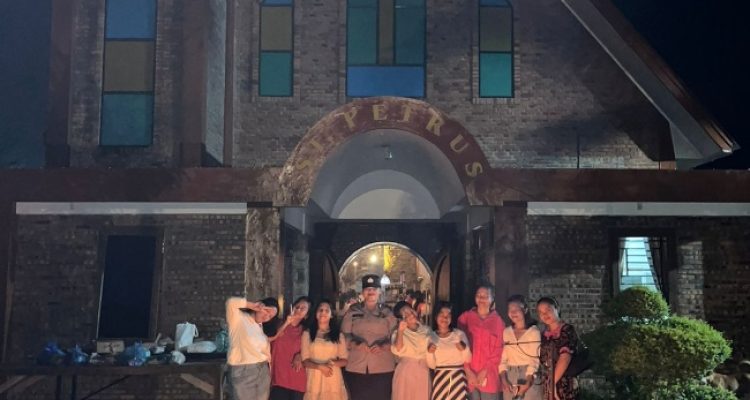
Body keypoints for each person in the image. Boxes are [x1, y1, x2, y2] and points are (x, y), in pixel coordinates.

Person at [341, 274, 398, 400]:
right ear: (362, 292)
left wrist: (384, 346)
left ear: (379, 292)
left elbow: (396, 336)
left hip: (382, 365)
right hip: (357, 365)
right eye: (367, 289)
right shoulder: (353, 311)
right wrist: (355, 344)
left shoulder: (387, 312)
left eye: (374, 289)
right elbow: (344, 335)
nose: (371, 291)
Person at [225, 296, 279, 400]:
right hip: (243, 371)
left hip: (262, 371)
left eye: (270, 316)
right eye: (267, 311)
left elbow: (266, 348)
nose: (266, 316)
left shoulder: (260, 327)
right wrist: (252, 305)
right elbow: (231, 303)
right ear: (261, 305)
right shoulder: (239, 319)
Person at [458, 284, 505, 400]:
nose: (481, 298)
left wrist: (484, 371)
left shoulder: (498, 322)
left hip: (489, 375)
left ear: (492, 299)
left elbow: (499, 350)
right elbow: (460, 346)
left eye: (485, 296)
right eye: (478, 295)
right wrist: (468, 371)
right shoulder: (465, 318)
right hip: (470, 375)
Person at [301, 299, 349, 400]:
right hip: (315, 377)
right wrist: (320, 366)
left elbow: (344, 360)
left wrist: (332, 363)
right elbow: (305, 361)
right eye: (320, 310)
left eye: (327, 310)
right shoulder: (307, 334)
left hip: (332, 376)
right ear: (316, 313)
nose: (323, 312)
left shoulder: (338, 335)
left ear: (331, 315)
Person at [500, 295, 542, 400]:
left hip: (529, 375)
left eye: (516, 309)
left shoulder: (533, 332)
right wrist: (504, 379)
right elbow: (503, 359)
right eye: (510, 310)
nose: (513, 313)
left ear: (525, 310)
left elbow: (534, 359)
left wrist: (528, 381)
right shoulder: (506, 332)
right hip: (511, 376)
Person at [427, 301, 472, 400]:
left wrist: (463, 348)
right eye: (442, 314)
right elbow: (431, 365)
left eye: (448, 315)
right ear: (436, 316)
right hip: (440, 378)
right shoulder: (431, 337)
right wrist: (430, 353)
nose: (445, 318)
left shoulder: (459, 334)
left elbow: (468, 359)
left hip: (458, 378)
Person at [536, 297, 579, 400]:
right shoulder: (544, 335)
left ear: (557, 309)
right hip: (548, 384)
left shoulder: (567, 330)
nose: (545, 314)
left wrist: (552, 383)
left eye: (548, 310)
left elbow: (565, 357)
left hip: (564, 383)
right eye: (541, 312)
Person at [270, 296, 312, 400]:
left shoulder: (306, 331)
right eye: (297, 306)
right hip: (278, 378)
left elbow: (312, 350)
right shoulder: (279, 324)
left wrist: (300, 355)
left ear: (306, 315)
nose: (299, 309)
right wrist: (287, 322)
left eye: (303, 308)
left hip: (296, 378)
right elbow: (273, 338)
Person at [392, 302, 432, 400]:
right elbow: (398, 349)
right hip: (406, 371)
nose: (410, 315)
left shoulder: (426, 329)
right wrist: (401, 331)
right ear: (401, 318)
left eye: (410, 310)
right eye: (405, 314)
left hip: (423, 370)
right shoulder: (397, 332)